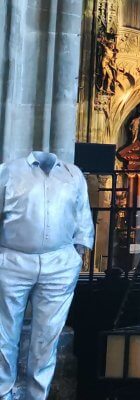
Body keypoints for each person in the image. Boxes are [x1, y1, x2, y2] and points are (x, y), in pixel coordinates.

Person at [0, 151, 94, 400]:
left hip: (58, 262)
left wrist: (78, 253)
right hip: (12, 260)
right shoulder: (9, 171)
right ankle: (3, 393)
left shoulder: (73, 175)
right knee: (4, 333)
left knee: (47, 338)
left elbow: (83, 216)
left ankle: (37, 395)